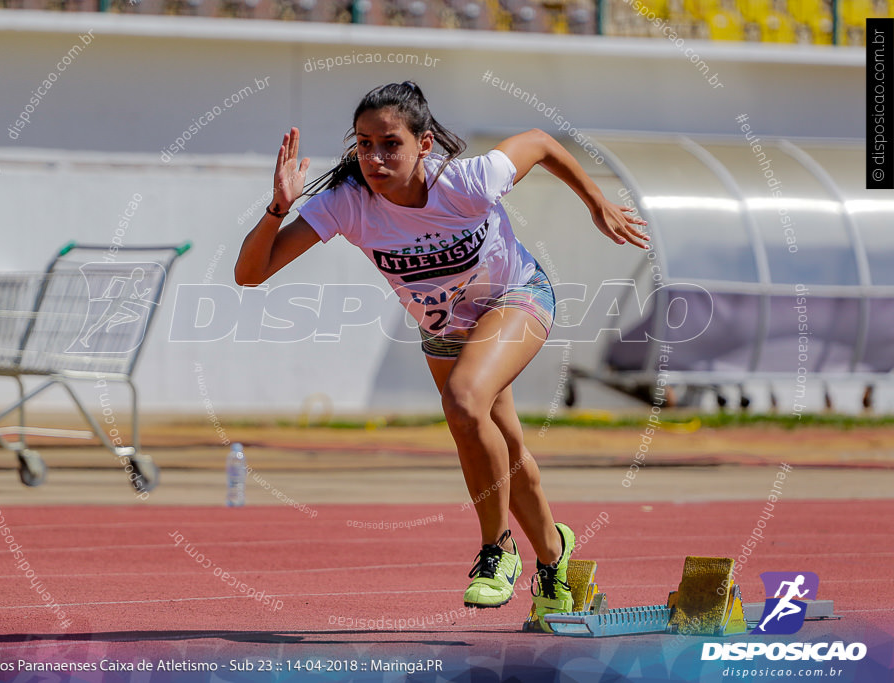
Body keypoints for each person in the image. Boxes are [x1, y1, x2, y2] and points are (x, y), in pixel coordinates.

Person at [234, 81, 649, 629]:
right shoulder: (348, 204)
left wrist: (597, 203)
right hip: (446, 330)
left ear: (424, 144)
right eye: (364, 144)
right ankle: (553, 558)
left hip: (516, 297)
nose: (375, 158)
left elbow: (540, 141)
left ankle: (496, 550)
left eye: (390, 145)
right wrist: (277, 209)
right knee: (505, 443)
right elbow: (249, 274)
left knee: (464, 400)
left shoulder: (468, 181)